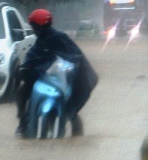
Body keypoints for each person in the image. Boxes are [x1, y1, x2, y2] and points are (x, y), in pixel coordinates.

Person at [16, 8, 98, 137]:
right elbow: (31, 58)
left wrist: (71, 65)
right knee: (23, 90)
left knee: (71, 106)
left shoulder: (60, 38)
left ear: (39, 27)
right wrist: (25, 68)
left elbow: (75, 55)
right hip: (43, 78)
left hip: (62, 80)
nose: (34, 29)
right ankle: (23, 120)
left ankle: (73, 120)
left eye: (34, 26)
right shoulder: (39, 42)